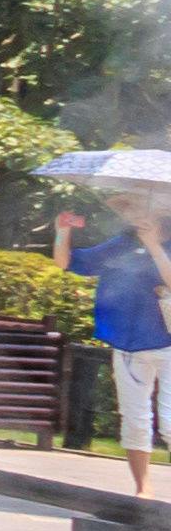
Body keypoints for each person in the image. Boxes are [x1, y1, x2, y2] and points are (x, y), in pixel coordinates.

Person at [94, 193, 171, 497]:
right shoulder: (123, 245)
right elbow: (74, 262)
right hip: (130, 344)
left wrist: (153, 245)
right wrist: (64, 232)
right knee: (136, 420)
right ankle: (143, 489)